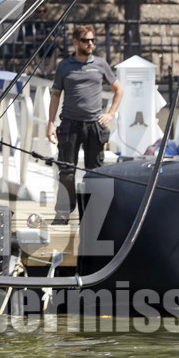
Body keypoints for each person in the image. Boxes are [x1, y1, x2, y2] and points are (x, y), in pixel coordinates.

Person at [45, 23, 122, 225]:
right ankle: (63, 213)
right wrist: (50, 124)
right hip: (70, 124)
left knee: (95, 172)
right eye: (86, 40)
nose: (90, 44)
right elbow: (55, 96)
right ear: (75, 42)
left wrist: (110, 114)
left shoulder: (100, 64)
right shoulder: (64, 66)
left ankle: (91, 215)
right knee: (66, 171)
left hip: (93, 125)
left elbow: (118, 90)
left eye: (92, 40)